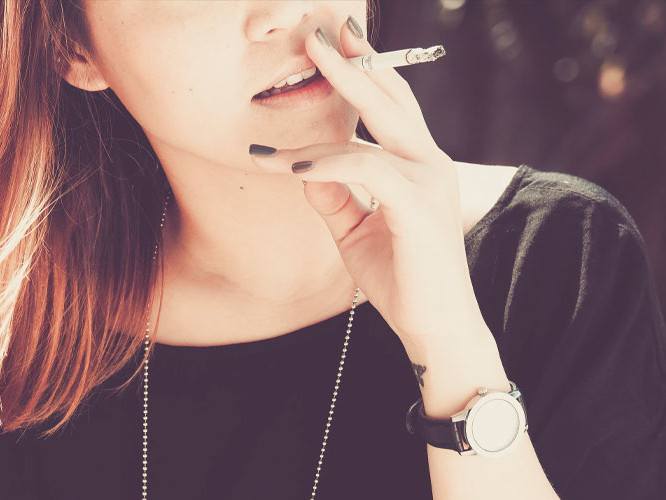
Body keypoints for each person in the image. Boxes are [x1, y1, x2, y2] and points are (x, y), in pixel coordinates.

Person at [0, 1, 664, 499]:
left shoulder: (558, 253)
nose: (287, 13)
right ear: (73, 51)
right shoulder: (23, 326)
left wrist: (453, 347)